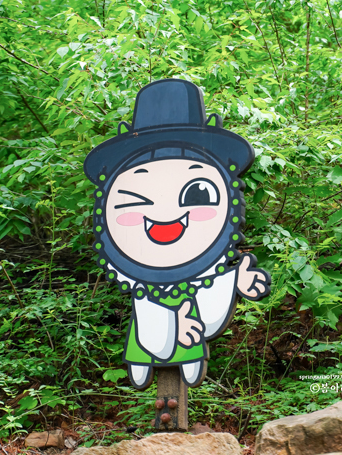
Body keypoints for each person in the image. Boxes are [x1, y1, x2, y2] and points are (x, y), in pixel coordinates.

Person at [84, 79, 270, 389]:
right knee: (148, 329)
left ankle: (182, 353)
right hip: (149, 311)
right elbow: (154, 321)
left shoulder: (204, 267)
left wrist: (235, 279)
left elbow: (209, 295)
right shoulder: (138, 278)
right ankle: (147, 357)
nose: (165, 213)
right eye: (136, 196)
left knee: (186, 334)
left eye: (197, 193)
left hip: (191, 307)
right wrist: (174, 322)